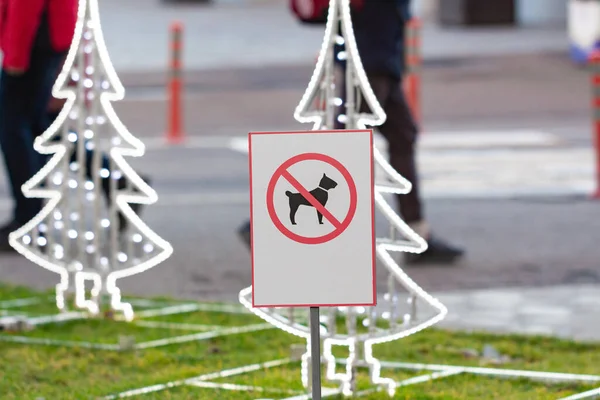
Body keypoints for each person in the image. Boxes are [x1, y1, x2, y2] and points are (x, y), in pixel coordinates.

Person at [239, 0, 464, 265]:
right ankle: (264, 227)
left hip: (378, 56)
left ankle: (416, 233)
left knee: (400, 135)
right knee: (344, 150)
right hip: (369, 60)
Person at [0, 0, 77, 250]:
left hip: (34, 43)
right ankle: (114, 179)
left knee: (15, 130)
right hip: (46, 38)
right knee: (41, 127)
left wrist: (16, 56)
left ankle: (29, 221)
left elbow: (25, 6)